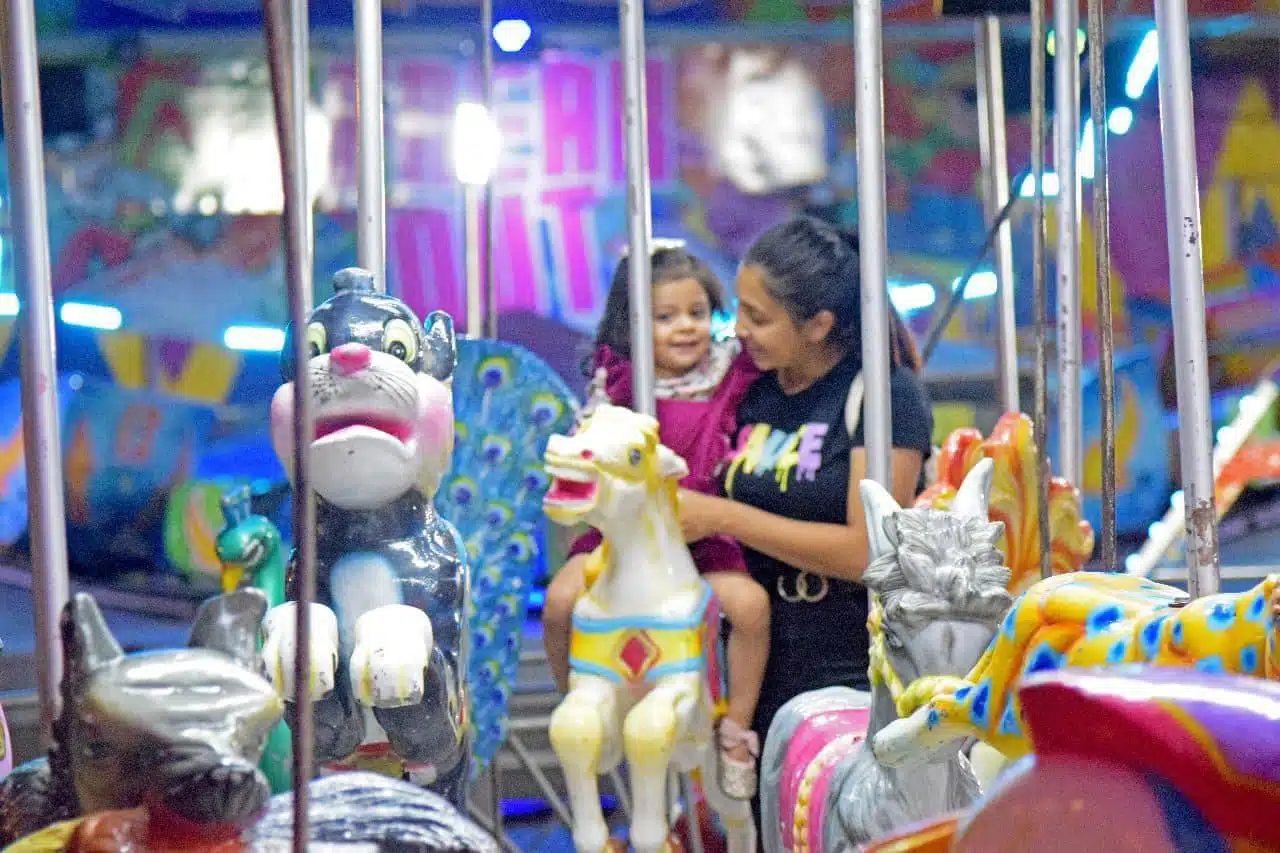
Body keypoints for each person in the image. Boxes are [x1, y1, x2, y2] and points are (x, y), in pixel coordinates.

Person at [675, 216, 933, 808]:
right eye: (738, 310)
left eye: (758, 318)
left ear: (819, 325)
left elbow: (870, 551)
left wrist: (721, 516)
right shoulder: (750, 391)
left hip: (845, 665)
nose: (739, 330)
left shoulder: (881, 395)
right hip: (745, 657)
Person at [542, 242, 772, 800]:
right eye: (665, 317)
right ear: (633, 324)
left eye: (696, 313)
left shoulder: (726, 373)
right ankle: (579, 704)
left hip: (704, 535)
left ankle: (737, 728)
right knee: (560, 603)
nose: (685, 328)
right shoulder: (619, 386)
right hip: (621, 539)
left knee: (750, 607)